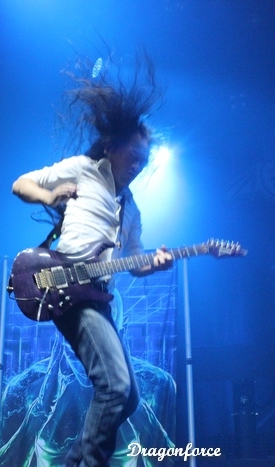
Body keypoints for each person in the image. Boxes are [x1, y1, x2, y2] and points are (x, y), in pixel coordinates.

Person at [11, 52, 173, 467]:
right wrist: (50, 194)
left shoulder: (131, 210)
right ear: (111, 147)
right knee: (115, 388)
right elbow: (22, 183)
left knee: (129, 398)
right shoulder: (84, 169)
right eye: (133, 157)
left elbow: (134, 261)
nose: (138, 167)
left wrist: (153, 264)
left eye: (144, 162)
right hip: (67, 288)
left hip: (99, 298)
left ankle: (74, 461)